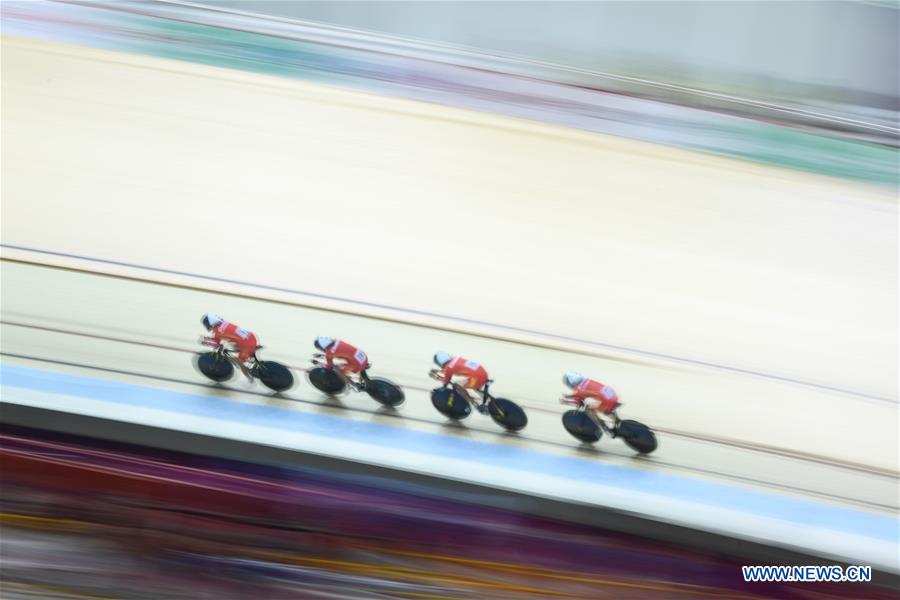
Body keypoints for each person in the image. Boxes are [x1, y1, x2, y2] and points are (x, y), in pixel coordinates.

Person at [201, 313, 258, 379]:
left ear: (210, 323)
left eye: (206, 324)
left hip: (247, 344)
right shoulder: (224, 324)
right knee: (235, 346)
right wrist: (209, 339)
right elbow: (218, 338)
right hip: (251, 337)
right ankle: (249, 357)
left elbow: (216, 344)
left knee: (237, 360)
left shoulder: (218, 331)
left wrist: (206, 342)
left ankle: (250, 377)